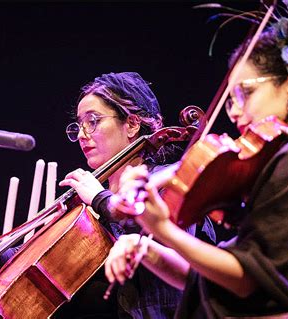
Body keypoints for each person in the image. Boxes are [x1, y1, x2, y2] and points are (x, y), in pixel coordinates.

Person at [104, 10, 288, 318]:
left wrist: (162, 228)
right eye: (231, 99)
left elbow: (245, 281)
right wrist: (145, 246)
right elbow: (211, 282)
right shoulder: (281, 163)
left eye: (247, 92)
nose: (235, 112)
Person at [54, 71, 215, 318]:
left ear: (131, 124)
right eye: (80, 124)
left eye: (93, 121)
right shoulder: (87, 206)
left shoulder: (168, 185)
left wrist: (101, 199)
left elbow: (164, 247)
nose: (82, 135)